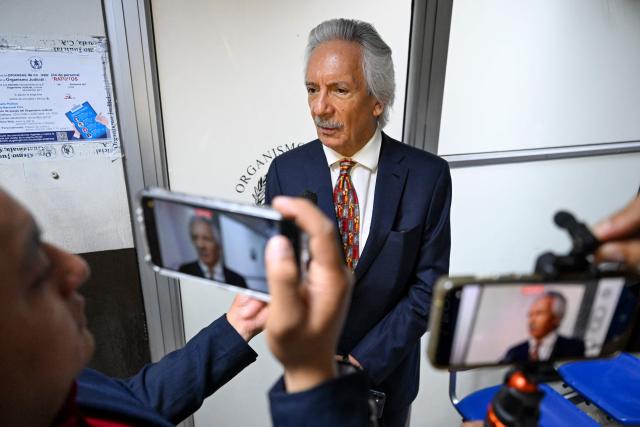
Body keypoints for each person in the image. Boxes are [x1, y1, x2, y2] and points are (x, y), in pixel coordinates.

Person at [0, 188, 370, 426]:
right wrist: (310, 372)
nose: (76, 267)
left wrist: (237, 324)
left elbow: (133, 402)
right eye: (34, 268)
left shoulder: (57, 389)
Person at [265, 18, 452, 426]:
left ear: (377, 100)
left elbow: (428, 290)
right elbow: (281, 277)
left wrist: (359, 362)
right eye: (312, 89)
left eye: (339, 90)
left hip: (387, 379)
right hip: (310, 377)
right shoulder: (285, 172)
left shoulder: (427, 176)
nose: (320, 107)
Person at [502, 291, 585, 363]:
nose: (531, 321)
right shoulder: (514, 352)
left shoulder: (574, 348)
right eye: (530, 315)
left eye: (539, 314)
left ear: (556, 318)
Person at [179, 215, 247, 288]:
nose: (200, 245)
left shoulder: (238, 281)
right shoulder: (184, 271)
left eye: (206, 238)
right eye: (195, 238)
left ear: (219, 245)